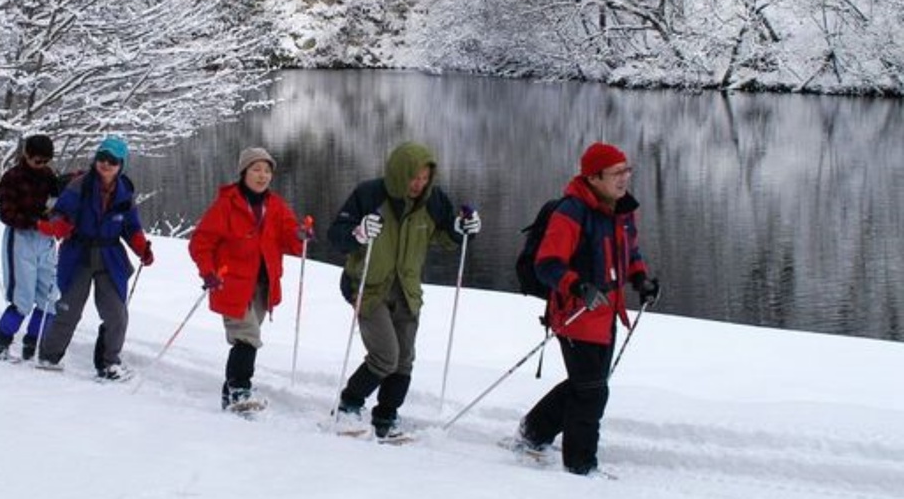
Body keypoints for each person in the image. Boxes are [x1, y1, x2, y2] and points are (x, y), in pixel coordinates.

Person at [512, 142, 660, 477]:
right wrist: (578, 286)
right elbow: (546, 265)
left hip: (607, 313)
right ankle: (580, 466)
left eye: (627, 170)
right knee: (592, 393)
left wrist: (641, 281)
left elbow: (629, 254)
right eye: (616, 173)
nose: (624, 178)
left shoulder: (622, 210)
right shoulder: (571, 212)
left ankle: (533, 432)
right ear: (593, 178)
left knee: (587, 384)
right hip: (574, 314)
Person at [328, 141, 480, 440]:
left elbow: (447, 236)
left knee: (404, 359)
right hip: (368, 287)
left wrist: (463, 230)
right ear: (400, 173)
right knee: (386, 356)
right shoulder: (369, 194)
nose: (419, 184)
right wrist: (358, 232)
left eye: (425, 178)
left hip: (407, 290)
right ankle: (349, 405)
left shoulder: (432, 200)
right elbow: (337, 235)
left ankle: (386, 417)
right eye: (414, 177)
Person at [188, 147, 306, 411]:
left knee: (247, 339)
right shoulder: (227, 204)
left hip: (264, 285)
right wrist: (207, 272)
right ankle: (240, 391)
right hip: (230, 283)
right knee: (247, 336)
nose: (262, 176)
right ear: (244, 173)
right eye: (256, 170)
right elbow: (200, 242)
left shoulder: (276, 206)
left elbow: (290, 238)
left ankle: (229, 394)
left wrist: (300, 236)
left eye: (267, 171)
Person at [35, 136, 153, 380]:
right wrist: (58, 226)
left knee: (116, 314)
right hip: (78, 254)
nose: (106, 164)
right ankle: (49, 356)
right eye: (102, 158)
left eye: (113, 160)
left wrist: (142, 249)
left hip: (110, 258)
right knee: (69, 309)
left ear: (122, 165)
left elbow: (131, 227)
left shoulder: (124, 193)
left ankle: (109, 364)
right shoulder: (79, 186)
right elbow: (61, 213)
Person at [0, 134, 62, 361]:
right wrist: (36, 222)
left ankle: (34, 342)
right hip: (21, 238)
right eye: (37, 161)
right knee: (23, 297)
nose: (41, 166)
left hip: (45, 240)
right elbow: (8, 214)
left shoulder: (48, 176)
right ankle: (0, 340)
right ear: (26, 156)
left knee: (50, 295)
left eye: (46, 161)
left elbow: (58, 198)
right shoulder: (12, 178)